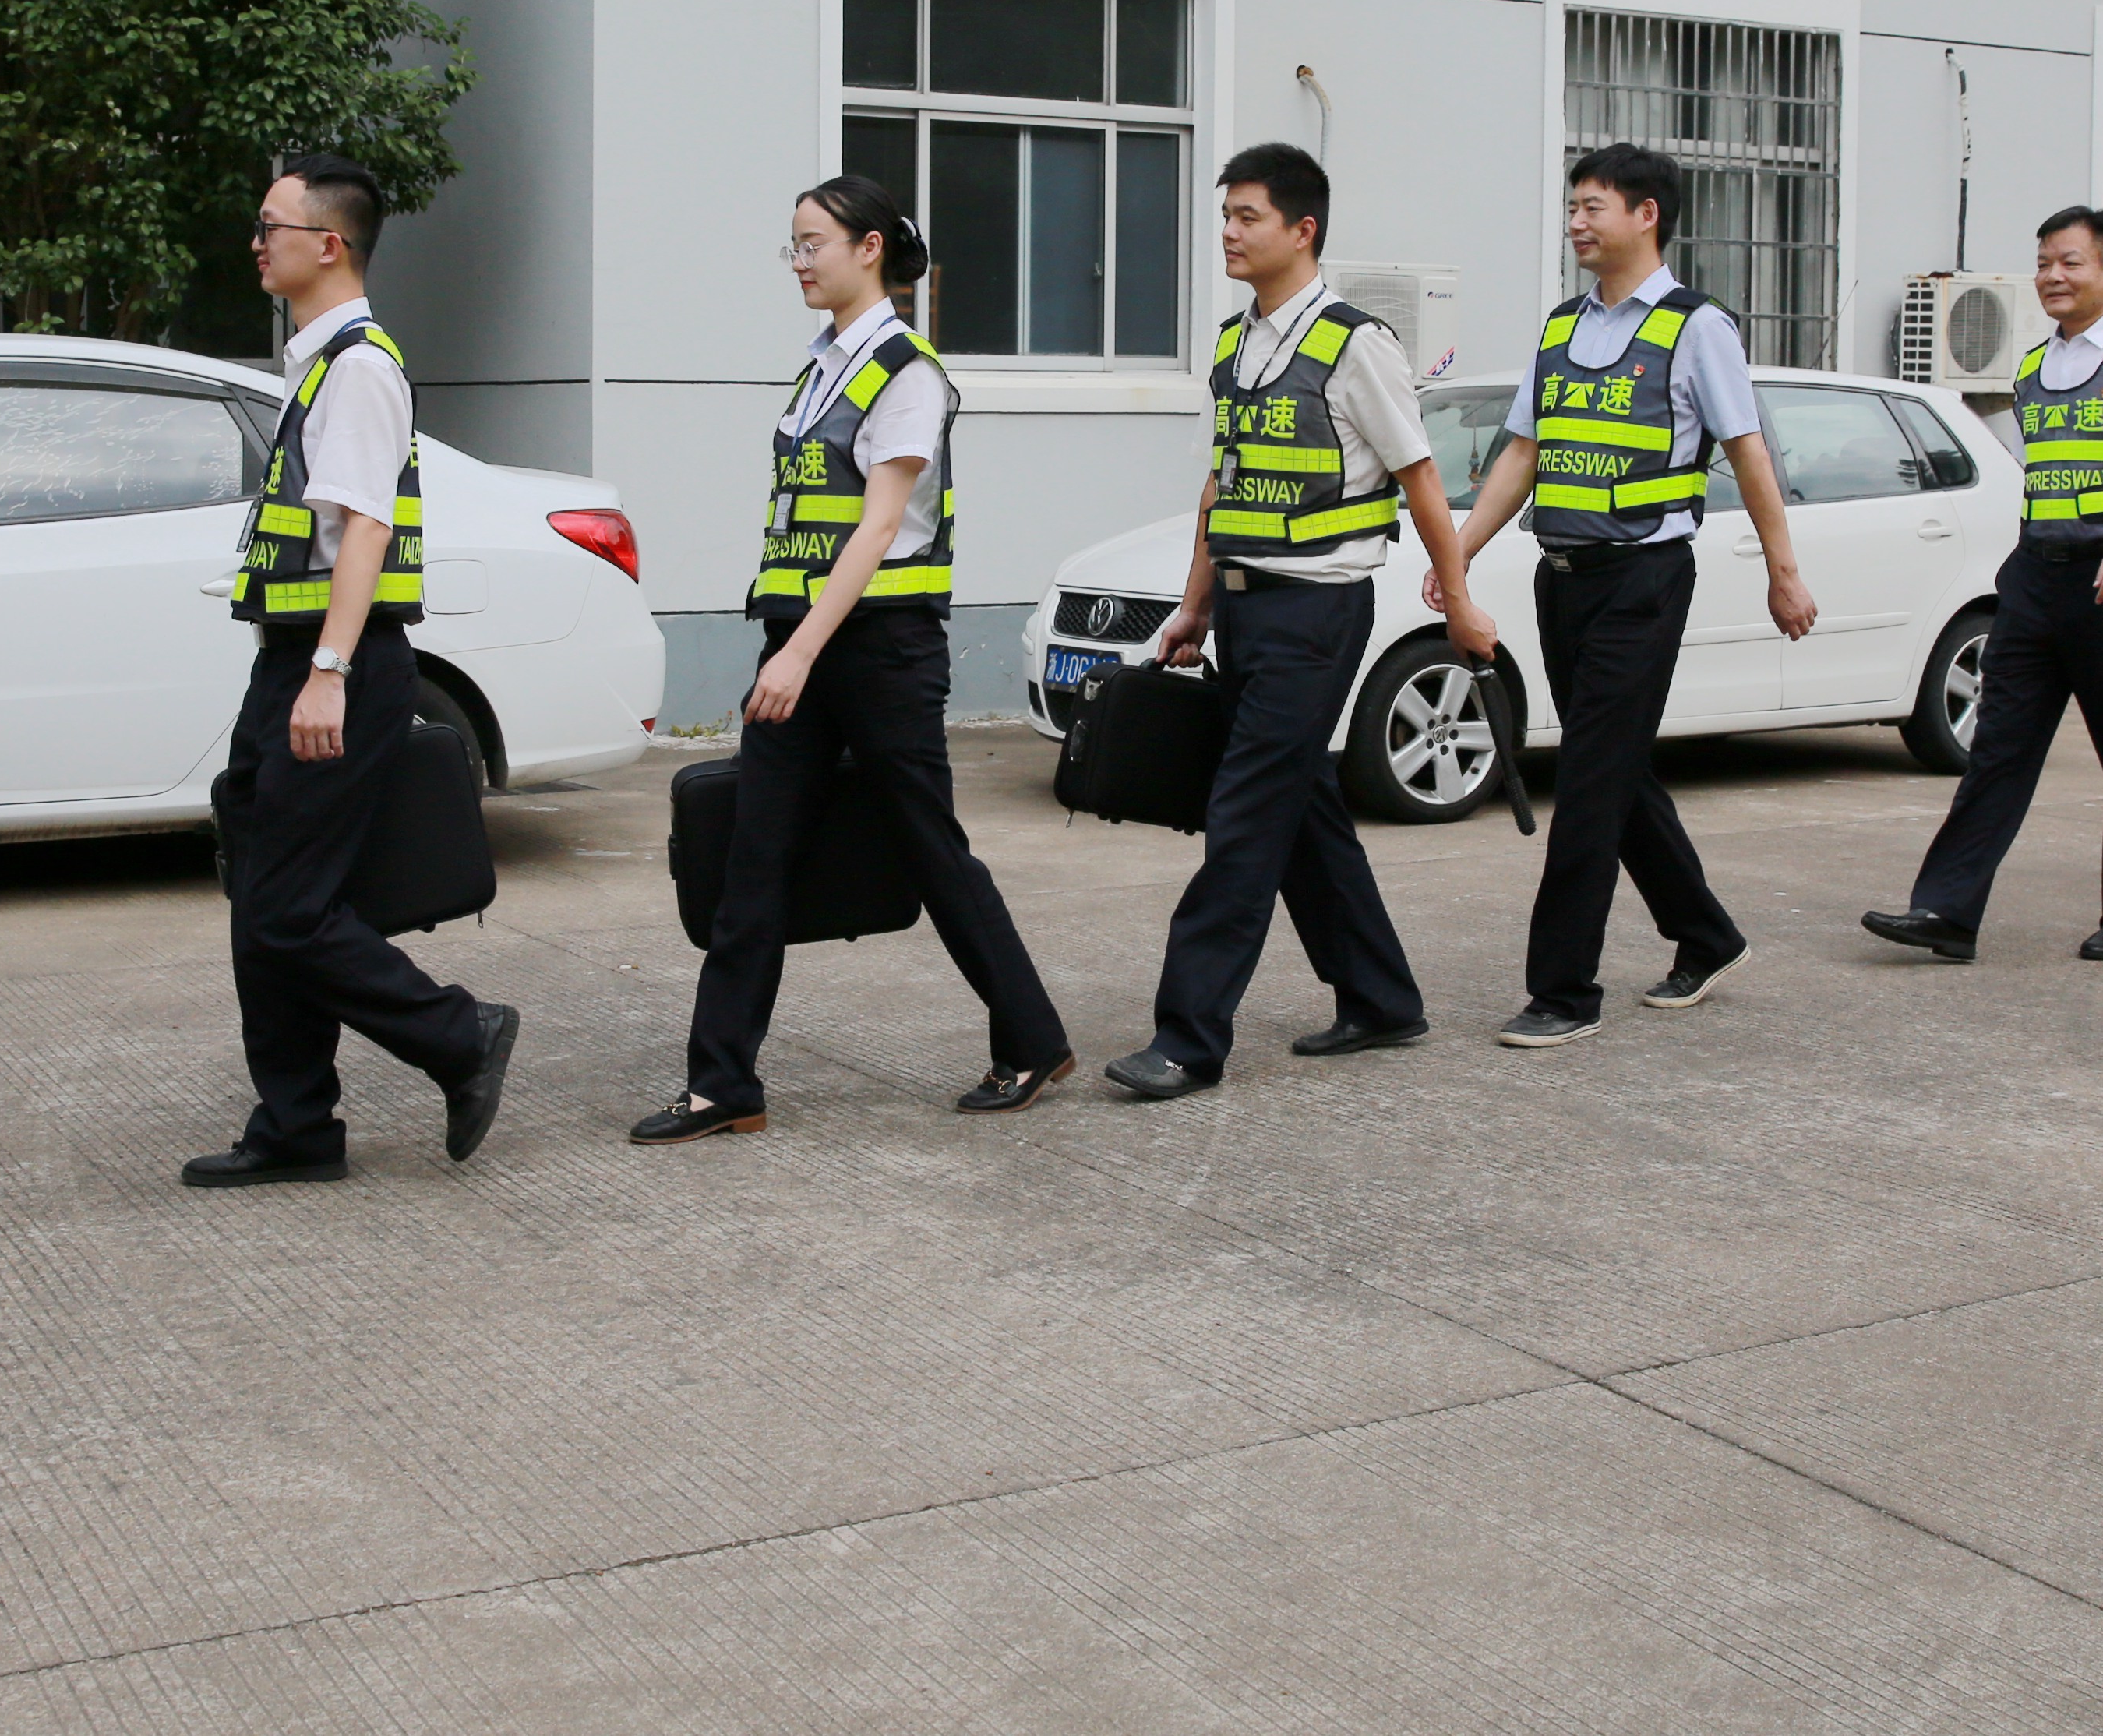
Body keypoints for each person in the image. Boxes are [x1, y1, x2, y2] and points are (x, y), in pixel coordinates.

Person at [636, 177, 1073, 1141]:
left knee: (929, 848)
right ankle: (722, 1083)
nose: (798, 262)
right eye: (791, 246)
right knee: (754, 854)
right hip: (800, 641)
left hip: (879, 651)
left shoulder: (906, 371)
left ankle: (1031, 1037)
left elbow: (878, 528)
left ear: (869, 248)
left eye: (812, 244)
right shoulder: (819, 369)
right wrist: (788, 645)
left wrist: (796, 653)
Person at [1106, 144, 1498, 1099]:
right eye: (1226, 217)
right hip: (1246, 611)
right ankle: (1380, 998)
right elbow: (1222, 485)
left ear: (1302, 229)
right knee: (1303, 810)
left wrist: (1458, 601)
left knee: (1242, 818)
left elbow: (1420, 480)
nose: (1228, 233)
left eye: (1247, 217)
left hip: (1318, 611)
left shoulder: (1356, 345)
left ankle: (1188, 1038)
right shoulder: (1233, 346)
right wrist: (1195, 604)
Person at [185, 156, 517, 1187]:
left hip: (339, 662)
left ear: (328, 245)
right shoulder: (317, 364)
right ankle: (296, 1126)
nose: (256, 242)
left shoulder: (362, 366)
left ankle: (459, 1033)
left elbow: (365, 528)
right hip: (290, 659)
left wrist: (327, 669)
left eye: (270, 225)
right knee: (263, 900)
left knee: (288, 907)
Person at [1437, 143, 1812, 1046]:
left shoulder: (1696, 328)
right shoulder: (1560, 328)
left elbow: (1747, 452)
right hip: (1561, 578)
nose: (1575, 222)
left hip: (1644, 579)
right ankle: (1706, 936)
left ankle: (1563, 990)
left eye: (1591, 206)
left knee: (1587, 780)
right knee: (1613, 769)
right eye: (1572, 206)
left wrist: (1782, 570)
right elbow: (1522, 452)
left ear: (1645, 215)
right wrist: (1456, 553)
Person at [1860, 204, 2103, 964]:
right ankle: (1946, 913)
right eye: (2044, 262)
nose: (2052, 276)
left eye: (2070, 262)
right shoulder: (2032, 367)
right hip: (2035, 578)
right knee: (1998, 748)